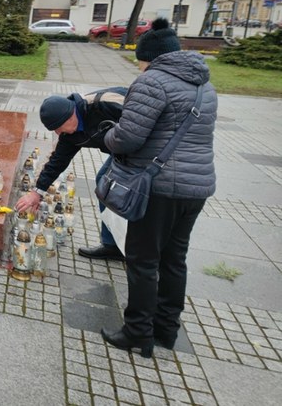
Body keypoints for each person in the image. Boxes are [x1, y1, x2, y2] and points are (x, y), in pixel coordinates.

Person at [100, 18, 217, 357]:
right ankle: (167, 329)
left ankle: (137, 331)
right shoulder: (204, 85)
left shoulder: (152, 82)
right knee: (174, 258)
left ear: (150, 55)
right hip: (196, 188)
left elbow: (127, 138)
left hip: (158, 189)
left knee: (143, 260)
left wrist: (108, 135)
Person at [15, 86, 128, 261]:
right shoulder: (70, 134)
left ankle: (137, 248)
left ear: (70, 116)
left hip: (147, 149)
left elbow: (145, 118)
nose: (59, 133)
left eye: (59, 128)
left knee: (121, 187)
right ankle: (113, 245)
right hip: (121, 151)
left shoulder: (105, 103)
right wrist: (37, 193)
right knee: (104, 181)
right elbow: (56, 162)